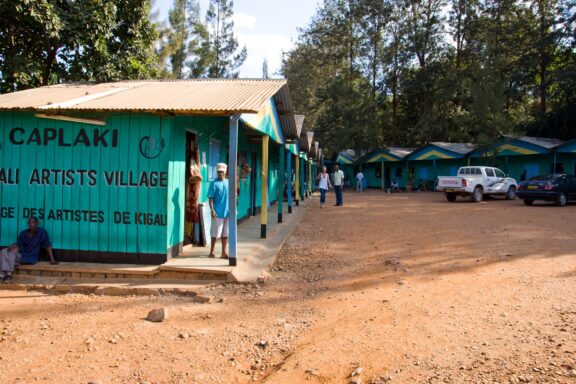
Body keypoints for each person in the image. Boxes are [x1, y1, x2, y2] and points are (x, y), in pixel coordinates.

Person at [208, 163, 230, 259]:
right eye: (219, 172)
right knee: (215, 233)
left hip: (228, 212)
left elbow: (234, 197)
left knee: (225, 234)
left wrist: (234, 209)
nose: (220, 174)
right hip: (217, 212)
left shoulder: (229, 183)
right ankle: (211, 251)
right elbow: (211, 198)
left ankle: (223, 253)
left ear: (225, 172)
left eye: (222, 172)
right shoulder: (214, 183)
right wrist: (212, 209)